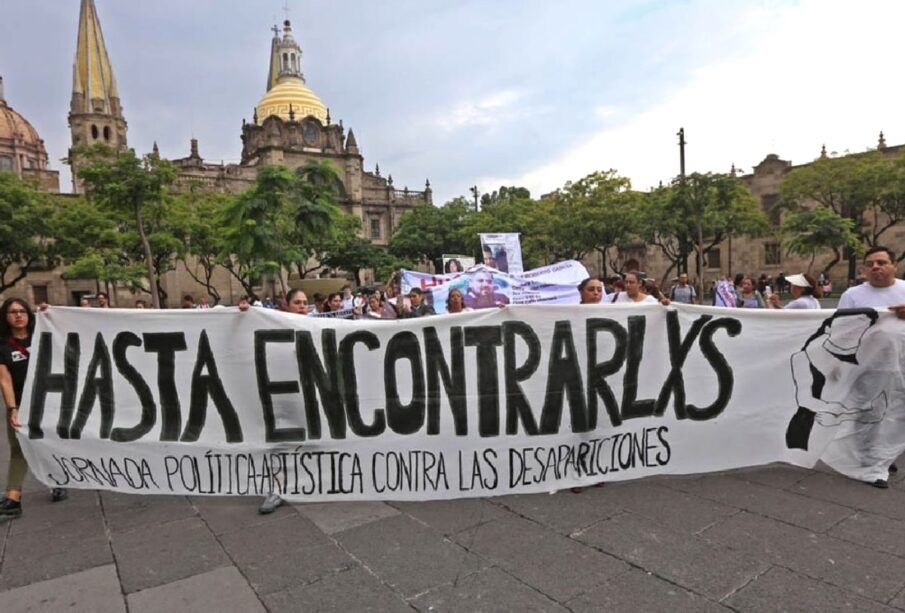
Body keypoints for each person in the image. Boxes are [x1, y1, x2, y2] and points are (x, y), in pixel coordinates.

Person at [827, 246, 905, 487]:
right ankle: (870, 462)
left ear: (894, 265)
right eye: (870, 263)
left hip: (901, 365)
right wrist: (837, 364)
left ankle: (884, 455)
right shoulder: (852, 295)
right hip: (867, 366)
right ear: (863, 269)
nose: (876, 267)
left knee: (897, 411)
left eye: (882, 262)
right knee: (868, 411)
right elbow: (841, 329)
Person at [0, 298, 67, 520]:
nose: (18, 315)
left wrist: (51, 313)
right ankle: (13, 498)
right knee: (19, 449)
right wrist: (12, 409)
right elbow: (5, 380)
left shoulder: (42, 334)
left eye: (22, 311)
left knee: (50, 443)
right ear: (6, 317)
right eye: (12, 312)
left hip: (49, 402)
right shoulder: (3, 346)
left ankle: (57, 480)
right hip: (21, 405)